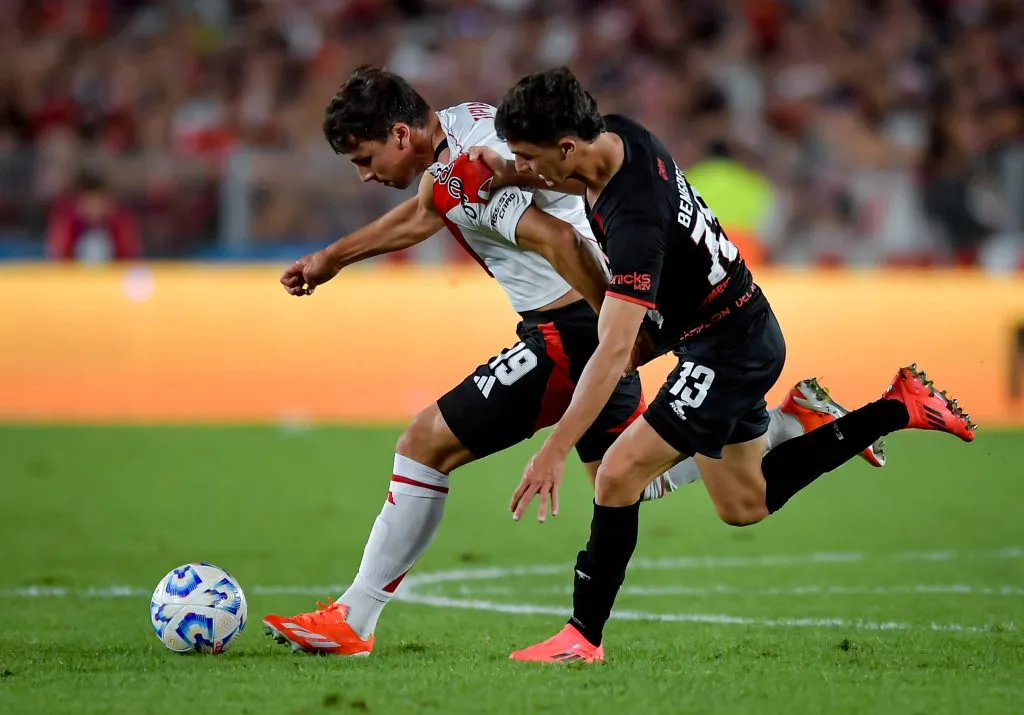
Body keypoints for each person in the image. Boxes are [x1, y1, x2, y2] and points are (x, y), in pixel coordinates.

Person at [262, 67, 884, 657]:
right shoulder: (460, 131)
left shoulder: (470, 175)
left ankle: (354, 617)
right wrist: (333, 258)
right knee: (637, 476)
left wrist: (620, 331)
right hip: (599, 320)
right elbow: (430, 209)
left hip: (571, 330)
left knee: (425, 443)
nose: (366, 177)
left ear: (401, 135)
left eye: (366, 160)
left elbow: (555, 239)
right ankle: (789, 424)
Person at [474, 67, 975, 663]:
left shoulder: (636, 216)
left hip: (728, 349)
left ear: (566, 147)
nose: (530, 167)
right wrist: (504, 168)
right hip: (735, 331)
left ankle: (581, 638)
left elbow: (616, 352)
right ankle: (894, 407)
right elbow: (548, 169)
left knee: (616, 474)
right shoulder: (614, 135)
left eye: (531, 156)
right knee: (744, 505)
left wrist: (555, 448)